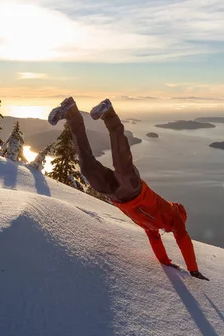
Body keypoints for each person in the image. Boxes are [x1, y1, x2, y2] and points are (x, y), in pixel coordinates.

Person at [48, 97, 209, 281]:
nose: (172, 230)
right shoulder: (174, 216)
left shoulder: (152, 226)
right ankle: (109, 114)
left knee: (88, 168)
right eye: (175, 228)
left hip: (116, 195)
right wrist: (193, 270)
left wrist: (165, 262)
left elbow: (156, 243)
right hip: (134, 189)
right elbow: (184, 241)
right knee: (121, 160)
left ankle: (72, 114)